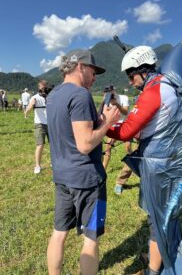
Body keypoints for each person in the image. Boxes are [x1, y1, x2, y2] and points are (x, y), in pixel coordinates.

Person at [106, 45, 182, 275]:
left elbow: (126, 131)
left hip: (158, 164)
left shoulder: (153, 92)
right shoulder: (165, 84)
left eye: (132, 75)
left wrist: (103, 126)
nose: (130, 80)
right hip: (169, 159)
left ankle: (153, 271)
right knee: (162, 214)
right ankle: (160, 253)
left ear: (144, 69)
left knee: (157, 219)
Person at [46, 49, 120, 275]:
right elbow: (86, 144)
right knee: (91, 238)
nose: (95, 77)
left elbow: (70, 131)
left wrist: (96, 121)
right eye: (93, 71)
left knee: (59, 233)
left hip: (62, 176)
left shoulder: (53, 95)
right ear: (80, 67)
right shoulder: (81, 95)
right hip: (87, 179)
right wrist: (107, 123)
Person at [101, 86, 133, 195]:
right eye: (107, 93)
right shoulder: (107, 100)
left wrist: (116, 104)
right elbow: (103, 113)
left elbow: (125, 112)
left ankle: (132, 166)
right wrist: (105, 102)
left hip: (124, 125)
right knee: (107, 148)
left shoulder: (124, 97)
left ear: (115, 91)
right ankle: (103, 170)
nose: (110, 94)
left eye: (111, 92)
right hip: (114, 125)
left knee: (128, 148)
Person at [25, 80, 49, 174]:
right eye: (42, 87)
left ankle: (54, 162)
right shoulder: (35, 97)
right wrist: (31, 105)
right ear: (39, 87)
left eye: (45, 87)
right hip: (40, 124)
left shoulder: (50, 96)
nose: (44, 89)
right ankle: (37, 166)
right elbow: (28, 109)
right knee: (40, 145)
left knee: (54, 145)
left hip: (51, 123)